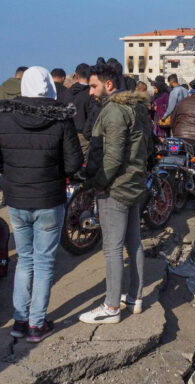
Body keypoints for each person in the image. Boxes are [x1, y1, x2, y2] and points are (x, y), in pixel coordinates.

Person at [0, 67, 82, 342]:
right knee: (43, 262)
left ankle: (20, 320)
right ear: (50, 87)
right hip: (49, 198)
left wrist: (14, 172)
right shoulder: (61, 120)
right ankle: (37, 324)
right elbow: (74, 163)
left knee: (25, 259)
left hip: (16, 198)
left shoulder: (2, 118)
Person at [79, 63, 151, 324]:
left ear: (108, 84)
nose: (90, 92)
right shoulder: (136, 107)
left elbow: (112, 157)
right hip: (133, 183)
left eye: (93, 86)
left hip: (116, 187)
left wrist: (97, 183)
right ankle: (135, 297)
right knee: (134, 242)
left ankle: (111, 307)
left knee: (112, 248)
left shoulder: (113, 111)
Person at [67, 63, 94, 157]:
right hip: (83, 134)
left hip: (68, 133)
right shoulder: (91, 94)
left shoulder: (67, 93)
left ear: (76, 75)